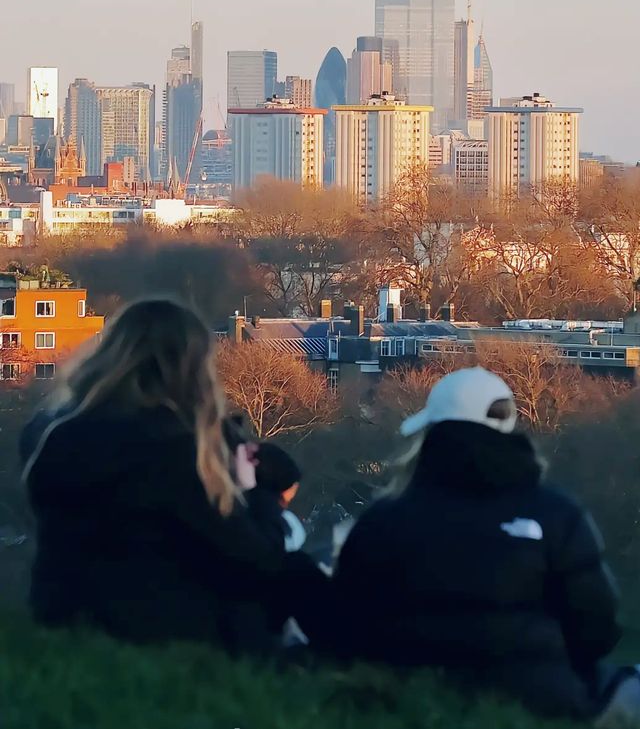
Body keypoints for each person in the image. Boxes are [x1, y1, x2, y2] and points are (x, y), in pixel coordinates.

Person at [332, 366, 640, 724]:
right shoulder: (555, 514)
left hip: (413, 700)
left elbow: (345, 622)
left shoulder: (383, 521)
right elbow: (597, 624)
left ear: (432, 434)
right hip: (537, 700)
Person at [21, 298, 327, 654]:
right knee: (297, 571)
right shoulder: (173, 450)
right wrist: (259, 495)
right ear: (191, 369)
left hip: (64, 613)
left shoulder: (53, 435)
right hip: (159, 627)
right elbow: (259, 558)